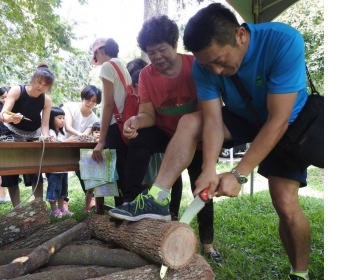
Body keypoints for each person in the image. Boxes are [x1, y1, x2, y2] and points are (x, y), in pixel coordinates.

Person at [118, 3, 312, 278]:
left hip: (288, 124)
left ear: (241, 35)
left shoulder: (283, 40)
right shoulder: (202, 67)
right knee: (190, 120)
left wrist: (239, 173)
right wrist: (209, 167)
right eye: (209, 65)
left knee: (285, 204)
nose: (217, 71)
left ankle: (299, 272)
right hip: (243, 119)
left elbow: (277, 120)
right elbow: (211, 120)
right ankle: (157, 198)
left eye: (220, 61)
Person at [108, 16, 221, 262]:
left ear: (174, 44)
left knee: (200, 186)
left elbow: (209, 114)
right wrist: (136, 121)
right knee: (141, 137)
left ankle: (208, 244)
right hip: (166, 133)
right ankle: (131, 202)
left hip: (198, 138)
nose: (157, 57)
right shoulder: (147, 76)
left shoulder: (196, 66)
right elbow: (148, 113)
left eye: (162, 50)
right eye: (151, 53)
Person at [0, 63, 55, 207]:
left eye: (45, 85)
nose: (41, 87)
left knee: (35, 170)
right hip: (10, 131)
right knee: (10, 171)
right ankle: (16, 209)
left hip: (32, 134)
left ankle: (38, 206)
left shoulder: (46, 100)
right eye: (39, 82)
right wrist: (12, 118)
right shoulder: (17, 90)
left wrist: (46, 136)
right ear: (33, 78)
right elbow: (2, 115)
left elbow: (45, 124)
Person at [90, 37, 131, 207]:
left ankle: (123, 214)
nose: (96, 60)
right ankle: (128, 211)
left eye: (95, 55)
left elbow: (107, 105)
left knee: (119, 175)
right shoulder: (121, 65)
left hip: (116, 127)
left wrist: (101, 141)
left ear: (99, 51)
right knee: (126, 173)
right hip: (127, 125)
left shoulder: (107, 66)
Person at [126, 58, 165, 192]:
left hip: (159, 141)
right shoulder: (132, 99)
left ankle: (170, 210)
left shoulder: (151, 90)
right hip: (149, 144)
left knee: (159, 176)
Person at [64, 85, 102, 212]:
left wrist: (83, 137)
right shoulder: (69, 107)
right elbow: (68, 127)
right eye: (88, 99)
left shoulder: (94, 118)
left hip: (80, 147)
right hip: (63, 143)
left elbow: (87, 133)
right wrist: (81, 136)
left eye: (94, 101)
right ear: (83, 97)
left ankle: (91, 199)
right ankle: (63, 200)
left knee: (82, 172)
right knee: (61, 173)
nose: (90, 103)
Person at [46, 106, 74, 217]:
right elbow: (54, 147)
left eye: (63, 118)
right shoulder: (50, 132)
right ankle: (53, 210)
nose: (62, 120)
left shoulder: (62, 133)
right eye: (59, 118)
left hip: (63, 167)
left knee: (63, 189)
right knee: (54, 188)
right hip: (54, 168)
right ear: (51, 119)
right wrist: (68, 141)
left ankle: (62, 208)